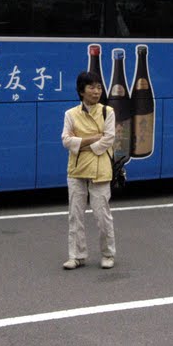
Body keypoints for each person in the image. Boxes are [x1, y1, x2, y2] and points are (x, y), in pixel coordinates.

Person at [61, 71, 117, 269]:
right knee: (75, 215)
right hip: (76, 171)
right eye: (91, 87)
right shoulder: (71, 114)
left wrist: (82, 145)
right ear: (81, 91)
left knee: (102, 216)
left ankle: (108, 254)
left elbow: (109, 139)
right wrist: (92, 139)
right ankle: (76, 255)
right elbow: (66, 141)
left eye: (99, 87)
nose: (96, 91)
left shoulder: (107, 112)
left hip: (100, 171)